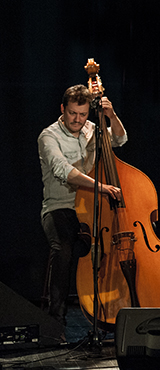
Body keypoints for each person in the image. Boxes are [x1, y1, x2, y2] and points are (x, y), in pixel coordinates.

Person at [38, 85, 127, 336]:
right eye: (73, 114)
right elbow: (62, 170)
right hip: (60, 206)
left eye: (83, 114)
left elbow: (120, 139)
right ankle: (56, 321)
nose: (78, 120)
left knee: (109, 246)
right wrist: (101, 187)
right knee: (63, 249)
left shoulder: (93, 130)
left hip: (90, 206)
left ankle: (109, 315)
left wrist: (112, 116)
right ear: (63, 110)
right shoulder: (49, 136)